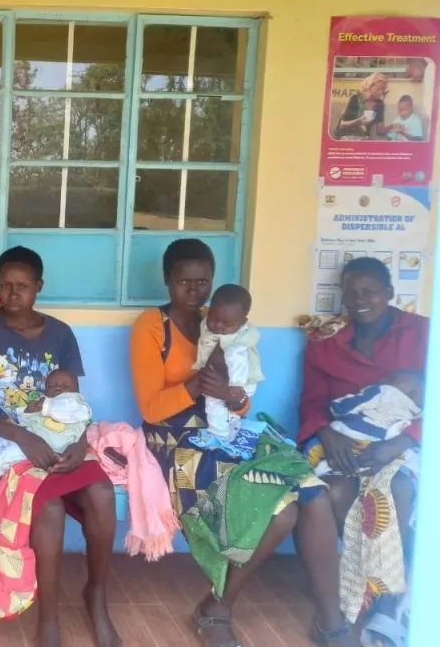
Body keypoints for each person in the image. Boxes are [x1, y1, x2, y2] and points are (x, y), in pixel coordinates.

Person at [130, 239, 357, 647]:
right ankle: (218, 606)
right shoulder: (152, 325)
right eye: (185, 281)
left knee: (312, 491)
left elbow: (241, 398)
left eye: (203, 282)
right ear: (167, 280)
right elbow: (150, 408)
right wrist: (198, 385)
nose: (195, 291)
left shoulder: (222, 320)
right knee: (281, 513)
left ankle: (330, 618)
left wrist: (234, 397)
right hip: (175, 439)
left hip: (228, 432)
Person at [0, 246, 120, 647]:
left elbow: (75, 406)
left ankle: (96, 597)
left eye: (23, 286)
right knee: (46, 505)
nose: (13, 294)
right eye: (5, 286)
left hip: (60, 438)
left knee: (101, 491)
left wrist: (81, 445)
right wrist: (23, 437)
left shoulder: (60, 333)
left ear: (39, 287)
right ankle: (48, 619)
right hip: (0, 443)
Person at [299, 257, 427, 647]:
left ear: (390, 293)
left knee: (396, 491)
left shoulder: (423, 333)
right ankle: (330, 618)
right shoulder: (326, 347)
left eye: (369, 291)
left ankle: (387, 603)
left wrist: (402, 442)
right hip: (343, 440)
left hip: (403, 439)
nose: (359, 300)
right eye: (351, 292)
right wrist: (326, 432)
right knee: (319, 494)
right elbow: (312, 403)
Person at [0, 367, 92, 480]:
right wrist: (29, 412)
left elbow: (64, 410)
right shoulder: (44, 402)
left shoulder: (78, 405)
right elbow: (25, 421)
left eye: (65, 386)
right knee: (8, 435)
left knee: (11, 453)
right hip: (32, 435)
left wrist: (45, 406)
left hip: (50, 448)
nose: (58, 388)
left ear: (76, 389)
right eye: (51, 386)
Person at [191, 284, 262, 444]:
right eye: (214, 319)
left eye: (226, 323)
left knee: (215, 404)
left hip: (240, 382)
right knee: (217, 406)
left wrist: (233, 388)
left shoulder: (239, 342)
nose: (218, 326)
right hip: (223, 382)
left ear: (242, 322)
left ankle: (219, 436)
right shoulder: (208, 325)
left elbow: (238, 364)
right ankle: (228, 431)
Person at [334, 72, 388, 139]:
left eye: (383, 90)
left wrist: (392, 127)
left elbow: (380, 130)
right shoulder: (356, 98)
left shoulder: (379, 104)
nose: (381, 92)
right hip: (347, 135)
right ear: (370, 86)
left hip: (363, 137)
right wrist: (358, 121)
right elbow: (342, 124)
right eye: (378, 89)